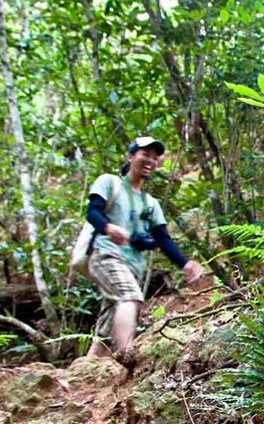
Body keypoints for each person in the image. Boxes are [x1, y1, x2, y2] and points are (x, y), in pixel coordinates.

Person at [84, 137, 202, 364]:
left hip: (132, 266)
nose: (150, 160)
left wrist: (185, 264)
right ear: (130, 157)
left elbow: (163, 239)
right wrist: (108, 228)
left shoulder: (151, 203)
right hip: (106, 254)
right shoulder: (109, 183)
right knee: (130, 297)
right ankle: (127, 354)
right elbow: (93, 212)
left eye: (155, 157)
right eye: (145, 154)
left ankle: (84, 372)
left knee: (108, 327)